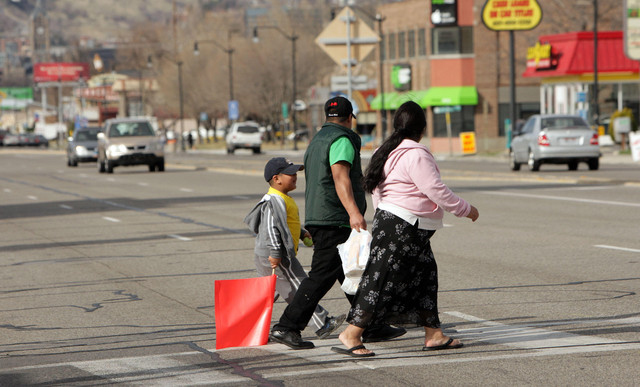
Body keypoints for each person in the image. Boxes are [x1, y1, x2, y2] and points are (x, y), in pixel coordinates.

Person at [331, 101, 479, 357]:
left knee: (425, 276)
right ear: (421, 128)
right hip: (404, 225)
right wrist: (465, 209)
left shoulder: (385, 150)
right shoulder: (416, 153)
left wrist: (384, 214)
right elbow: (435, 189)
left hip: (399, 223)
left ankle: (434, 334)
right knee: (381, 279)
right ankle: (352, 333)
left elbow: (377, 191)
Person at [269, 96, 406, 350]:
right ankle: (287, 326)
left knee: (352, 273)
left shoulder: (318, 139)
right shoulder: (342, 139)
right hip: (334, 218)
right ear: (350, 118)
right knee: (322, 275)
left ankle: (369, 323)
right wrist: (354, 212)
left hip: (323, 215)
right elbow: (340, 177)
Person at [243, 157, 346, 339]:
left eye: (296, 172)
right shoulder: (273, 201)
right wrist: (276, 254)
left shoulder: (283, 198)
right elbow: (270, 230)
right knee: (300, 287)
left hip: (269, 255)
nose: (295, 176)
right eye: (290, 173)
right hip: (277, 255)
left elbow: (283, 223)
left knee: (265, 295)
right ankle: (322, 323)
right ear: (276, 178)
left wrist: (300, 232)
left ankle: (247, 327)